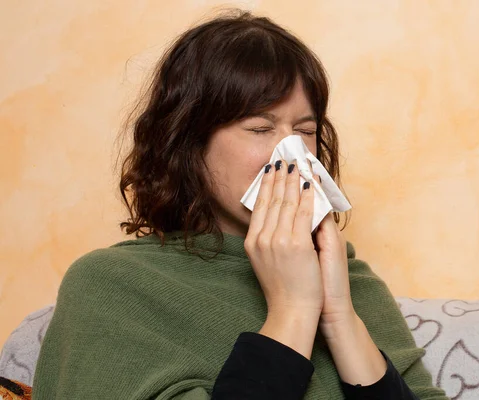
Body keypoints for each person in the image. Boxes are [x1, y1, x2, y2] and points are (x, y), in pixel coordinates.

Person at [32, 9, 449, 400]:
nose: (291, 155)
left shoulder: (351, 279)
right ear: (189, 144)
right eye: (260, 127)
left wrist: (339, 317)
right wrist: (294, 309)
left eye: (305, 131)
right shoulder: (111, 285)